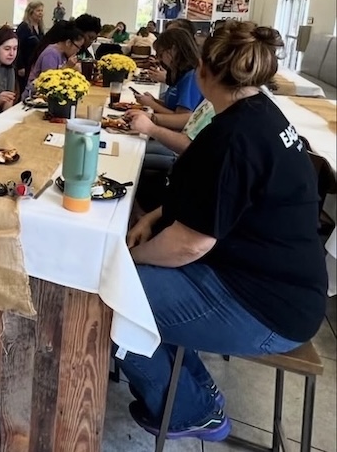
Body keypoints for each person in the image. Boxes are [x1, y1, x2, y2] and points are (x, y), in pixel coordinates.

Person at [120, 22, 327, 442]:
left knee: (112, 297)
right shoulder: (260, 114)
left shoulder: (232, 136)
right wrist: (152, 217)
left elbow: (189, 244)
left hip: (265, 306)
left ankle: (189, 410)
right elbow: (219, 197)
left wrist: (127, 260)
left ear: (203, 70)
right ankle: (197, 391)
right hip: (273, 286)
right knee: (141, 286)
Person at [132, 28, 203, 131]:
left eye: (160, 54)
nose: (160, 59)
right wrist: (154, 101)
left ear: (174, 50)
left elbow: (183, 119)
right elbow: (174, 107)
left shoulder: (191, 77)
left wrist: (152, 105)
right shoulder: (181, 73)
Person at [24, 22, 84, 92]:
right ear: (68, 43)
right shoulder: (51, 54)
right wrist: (67, 66)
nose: (78, 51)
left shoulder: (64, 54)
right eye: (78, 47)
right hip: (34, 95)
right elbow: (48, 81)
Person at [15, 1, 45, 92]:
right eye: (38, 10)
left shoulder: (40, 27)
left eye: (42, 11)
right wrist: (20, 66)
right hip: (25, 64)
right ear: (31, 12)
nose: (40, 13)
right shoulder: (23, 27)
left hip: (34, 64)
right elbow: (18, 47)